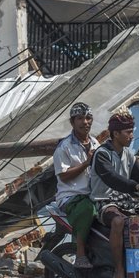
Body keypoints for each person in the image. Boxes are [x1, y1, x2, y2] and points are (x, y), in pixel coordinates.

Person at [89, 109, 139, 278]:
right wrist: (137, 186)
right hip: (104, 201)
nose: (131, 135)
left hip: (126, 201)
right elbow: (113, 179)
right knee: (118, 221)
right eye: (128, 132)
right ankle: (119, 272)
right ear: (115, 133)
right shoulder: (102, 154)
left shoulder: (128, 154)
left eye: (132, 130)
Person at [52, 102, 99, 268]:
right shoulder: (64, 147)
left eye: (88, 118)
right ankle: (80, 254)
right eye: (80, 118)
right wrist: (86, 163)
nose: (85, 122)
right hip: (70, 198)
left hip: (92, 196)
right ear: (72, 122)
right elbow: (64, 176)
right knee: (87, 208)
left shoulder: (95, 144)